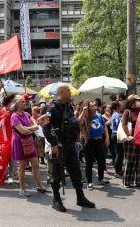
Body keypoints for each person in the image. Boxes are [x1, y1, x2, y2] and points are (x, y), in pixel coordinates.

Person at [43, 84, 95, 212]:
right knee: (56, 175)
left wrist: (77, 139)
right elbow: (46, 128)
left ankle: (80, 197)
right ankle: (56, 200)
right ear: (60, 92)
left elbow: (73, 124)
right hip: (59, 146)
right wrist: (53, 144)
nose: (70, 92)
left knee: (76, 172)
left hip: (70, 145)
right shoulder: (52, 108)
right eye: (67, 91)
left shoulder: (69, 107)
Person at [10, 95, 49, 197]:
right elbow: (23, 130)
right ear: (17, 103)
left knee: (35, 165)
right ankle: (22, 189)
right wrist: (32, 128)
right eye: (22, 102)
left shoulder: (27, 114)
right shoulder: (14, 116)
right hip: (19, 142)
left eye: (24, 101)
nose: (25, 103)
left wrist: (29, 128)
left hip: (29, 141)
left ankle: (40, 187)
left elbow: (34, 125)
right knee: (22, 166)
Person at [79, 101, 110, 190]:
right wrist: (83, 112)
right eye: (92, 106)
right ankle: (89, 182)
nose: (95, 107)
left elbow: (104, 127)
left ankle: (101, 179)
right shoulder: (85, 117)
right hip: (89, 142)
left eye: (95, 105)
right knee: (89, 163)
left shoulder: (99, 115)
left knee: (101, 161)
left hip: (99, 141)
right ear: (88, 108)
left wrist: (107, 138)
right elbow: (78, 122)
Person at [121, 95, 140, 188]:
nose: (139, 102)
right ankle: (126, 181)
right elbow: (124, 124)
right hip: (130, 139)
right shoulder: (127, 112)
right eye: (136, 100)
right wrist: (129, 135)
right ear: (131, 102)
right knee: (130, 160)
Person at [110, 101, 124, 177]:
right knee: (119, 154)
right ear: (118, 106)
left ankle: (119, 170)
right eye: (121, 105)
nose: (122, 106)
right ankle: (117, 171)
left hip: (117, 134)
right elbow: (119, 124)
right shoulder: (117, 114)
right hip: (116, 134)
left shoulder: (118, 114)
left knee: (120, 153)